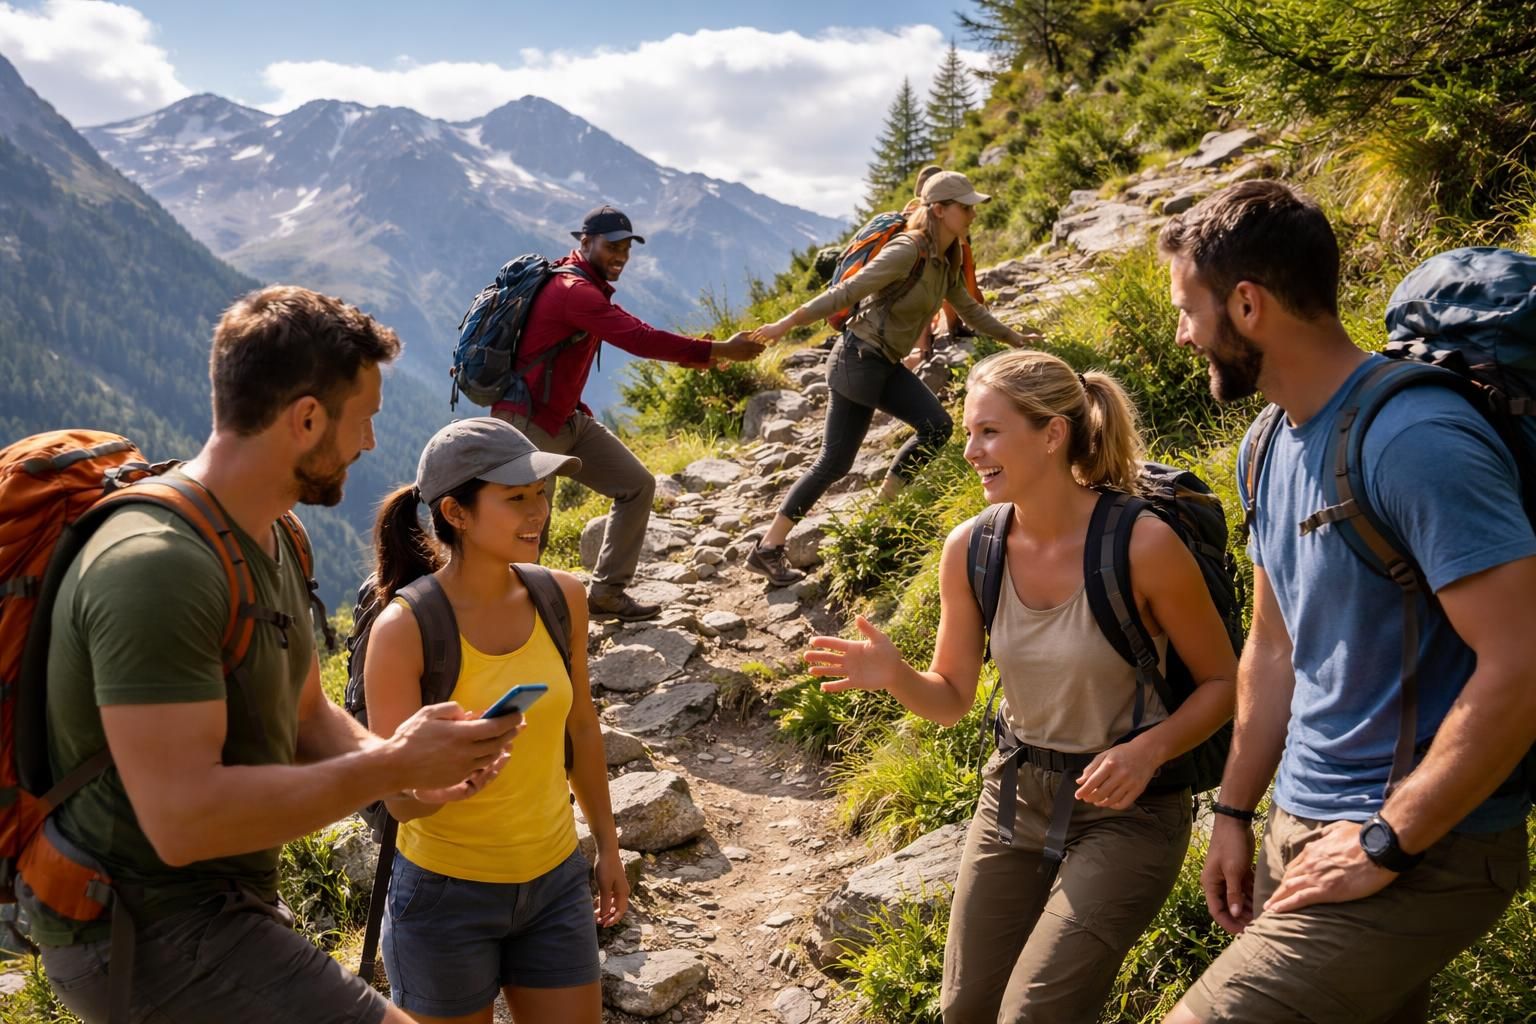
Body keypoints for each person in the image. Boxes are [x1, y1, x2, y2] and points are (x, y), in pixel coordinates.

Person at [22, 286, 526, 1024]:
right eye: (365, 418)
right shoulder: (156, 566)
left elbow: (306, 714)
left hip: (221, 905)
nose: (370, 443)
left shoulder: (274, 534)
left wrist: (415, 773)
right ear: (307, 418)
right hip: (138, 931)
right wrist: (392, 765)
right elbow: (183, 821)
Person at [1157, 181, 1536, 1024]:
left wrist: (1387, 839)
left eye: (1188, 309)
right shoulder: (1265, 445)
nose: (1183, 334)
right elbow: (1273, 646)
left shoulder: (1415, 439)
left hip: (1427, 843)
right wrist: (1235, 810)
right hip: (1302, 825)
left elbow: (1521, 663)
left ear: (1247, 305)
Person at [803, 349, 1238, 1023]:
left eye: (990, 432)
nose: (970, 451)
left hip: (1132, 811)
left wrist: (1148, 750)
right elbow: (951, 698)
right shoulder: (971, 548)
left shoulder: (1142, 546)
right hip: (1015, 798)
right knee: (965, 1012)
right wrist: (894, 676)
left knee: (1035, 1015)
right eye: (969, 432)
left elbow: (1224, 682)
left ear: (1053, 434)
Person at [363, 417, 625, 1024]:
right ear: (456, 512)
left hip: (556, 882)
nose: (539, 512)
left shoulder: (563, 597)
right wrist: (438, 786)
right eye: (516, 499)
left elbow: (581, 727)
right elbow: (395, 798)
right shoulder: (403, 630)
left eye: (540, 494)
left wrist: (608, 847)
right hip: (444, 898)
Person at [746, 171, 1037, 586]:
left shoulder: (947, 256)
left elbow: (969, 309)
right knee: (834, 462)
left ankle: (881, 512)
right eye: (965, 207)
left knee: (935, 427)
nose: (973, 213)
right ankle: (769, 547)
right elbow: (846, 292)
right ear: (940, 210)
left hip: (882, 363)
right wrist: (784, 324)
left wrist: (1014, 339)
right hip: (858, 360)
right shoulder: (908, 249)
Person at [490, 204, 764, 622]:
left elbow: (626, 333)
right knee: (531, 526)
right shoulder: (573, 290)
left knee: (636, 485)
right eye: (612, 246)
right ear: (586, 242)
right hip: (527, 425)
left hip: (565, 418)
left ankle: (606, 594)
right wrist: (720, 349)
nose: (621, 256)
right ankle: (512, 620)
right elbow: (639, 338)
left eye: (626, 248)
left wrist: (702, 356)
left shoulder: (584, 283)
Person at [905, 164, 987, 365]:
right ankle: (943, 334)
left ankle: (925, 346)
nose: (972, 214)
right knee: (943, 284)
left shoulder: (911, 214)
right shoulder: (944, 220)